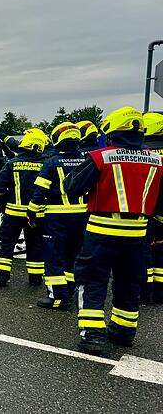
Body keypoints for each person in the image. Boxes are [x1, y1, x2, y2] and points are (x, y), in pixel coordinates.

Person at [64, 107, 163, 354]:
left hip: (101, 231)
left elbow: (73, 188)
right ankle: (123, 332)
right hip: (138, 235)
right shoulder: (157, 161)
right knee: (129, 283)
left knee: (92, 280)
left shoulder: (102, 157)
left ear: (112, 132)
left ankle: (92, 335)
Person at [27, 123, 87, 310]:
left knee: (54, 257)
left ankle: (57, 298)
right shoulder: (86, 160)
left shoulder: (51, 162)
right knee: (72, 256)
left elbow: (40, 192)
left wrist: (32, 212)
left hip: (57, 217)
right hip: (81, 216)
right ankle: (69, 291)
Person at [0, 129, 48, 287]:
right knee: (36, 245)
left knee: (6, 243)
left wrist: (3, 202)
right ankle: (35, 278)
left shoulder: (12, 163)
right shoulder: (46, 164)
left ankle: (1, 276)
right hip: (37, 214)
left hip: (13, 213)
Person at [143, 112, 163, 304]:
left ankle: (146, 293)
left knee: (146, 254)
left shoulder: (146, 154)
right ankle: (160, 293)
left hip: (149, 212)